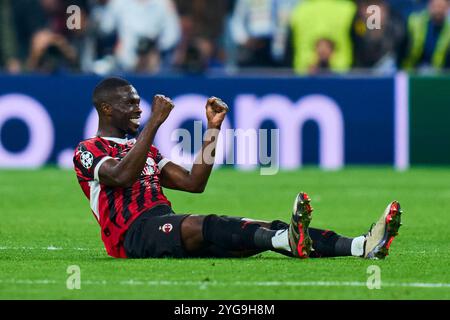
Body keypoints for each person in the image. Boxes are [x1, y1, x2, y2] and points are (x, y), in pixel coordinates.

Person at [73, 77, 403, 260]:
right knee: (209, 224)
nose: (138, 108)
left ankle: (360, 245)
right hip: (131, 236)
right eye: (129, 103)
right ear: (106, 108)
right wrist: (155, 122)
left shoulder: (145, 149)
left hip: (162, 224)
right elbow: (120, 176)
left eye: (138, 102)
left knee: (258, 228)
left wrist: (213, 129)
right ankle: (285, 241)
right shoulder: (88, 151)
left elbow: (193, 182)